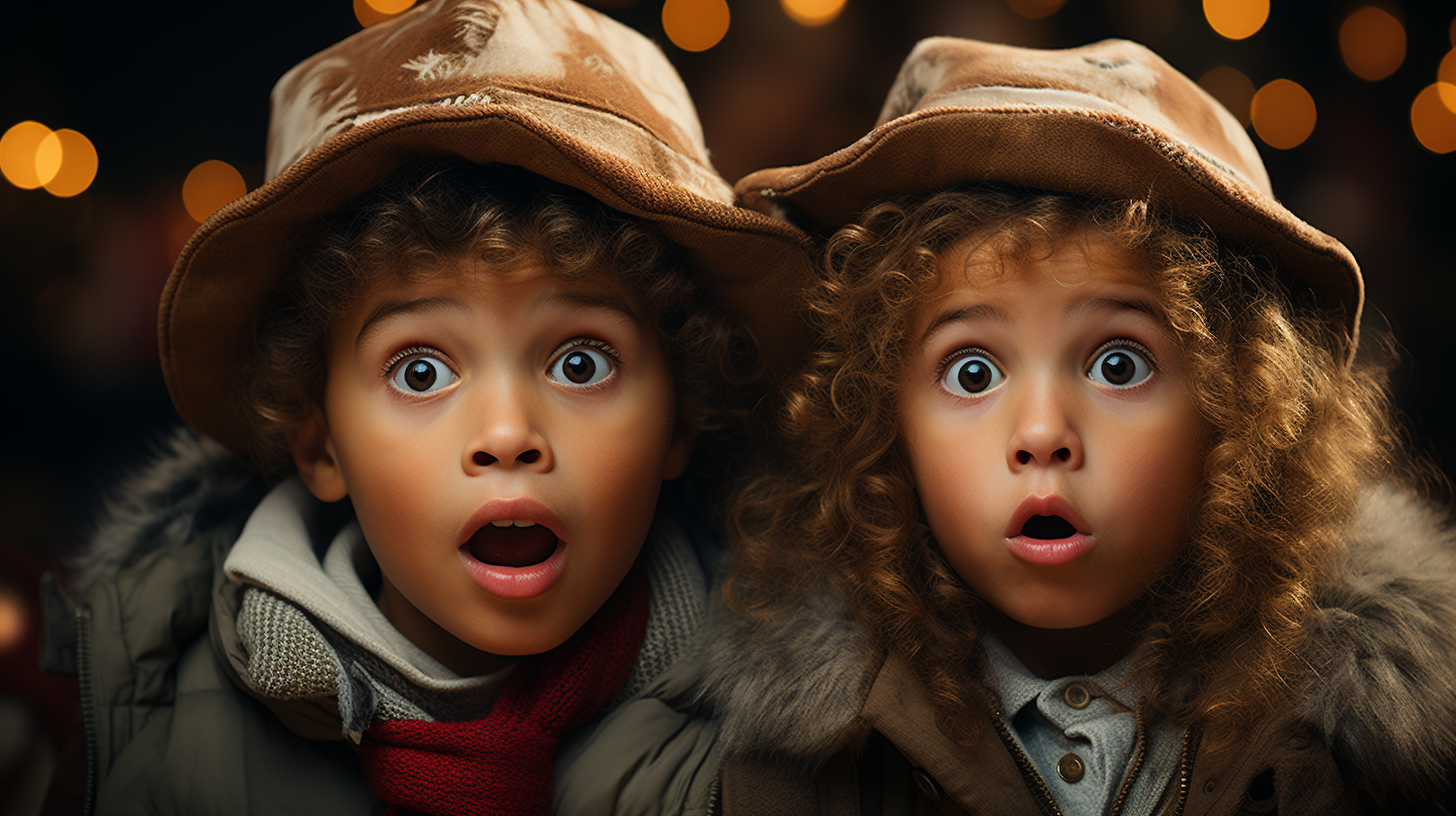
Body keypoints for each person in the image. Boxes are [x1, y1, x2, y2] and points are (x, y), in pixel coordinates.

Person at [36, 1, 811, 814]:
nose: (508, 435)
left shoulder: (783, 759)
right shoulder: (157, 740)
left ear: (681, 417)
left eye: (581, 363)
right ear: (319, 439)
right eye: (418, 372)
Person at [694, 37, 1456, 815]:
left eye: (1118, 365)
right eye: (972, 373)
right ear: (885, 429)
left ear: (1240, 411)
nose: (1042, 433)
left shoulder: (1381, 762)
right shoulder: (796, 773)